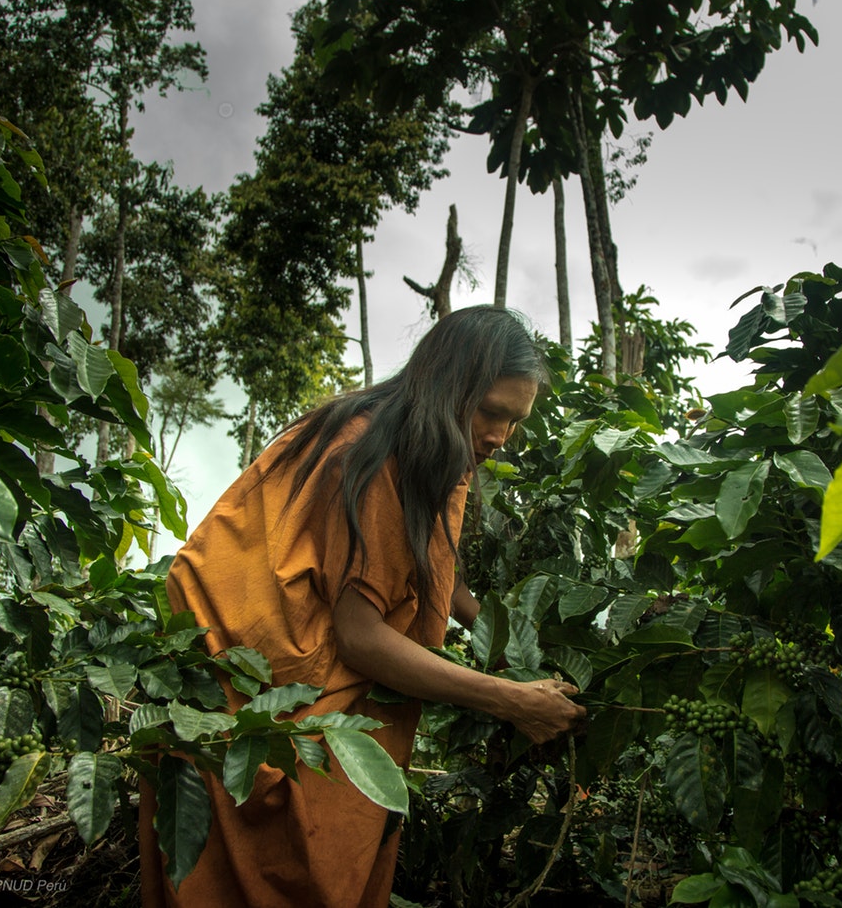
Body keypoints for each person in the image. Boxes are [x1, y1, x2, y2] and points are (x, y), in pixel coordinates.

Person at [139, 306, 586, 908]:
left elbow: (427, 570)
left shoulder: (431, 449)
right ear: (449, 386)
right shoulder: (372, 452)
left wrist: (505, 646)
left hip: (297, 663)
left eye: (515, 422)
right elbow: (360, 637)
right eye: (492, 413)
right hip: (242, 675)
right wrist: (506, 699)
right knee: (290, 869)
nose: (501, 437)